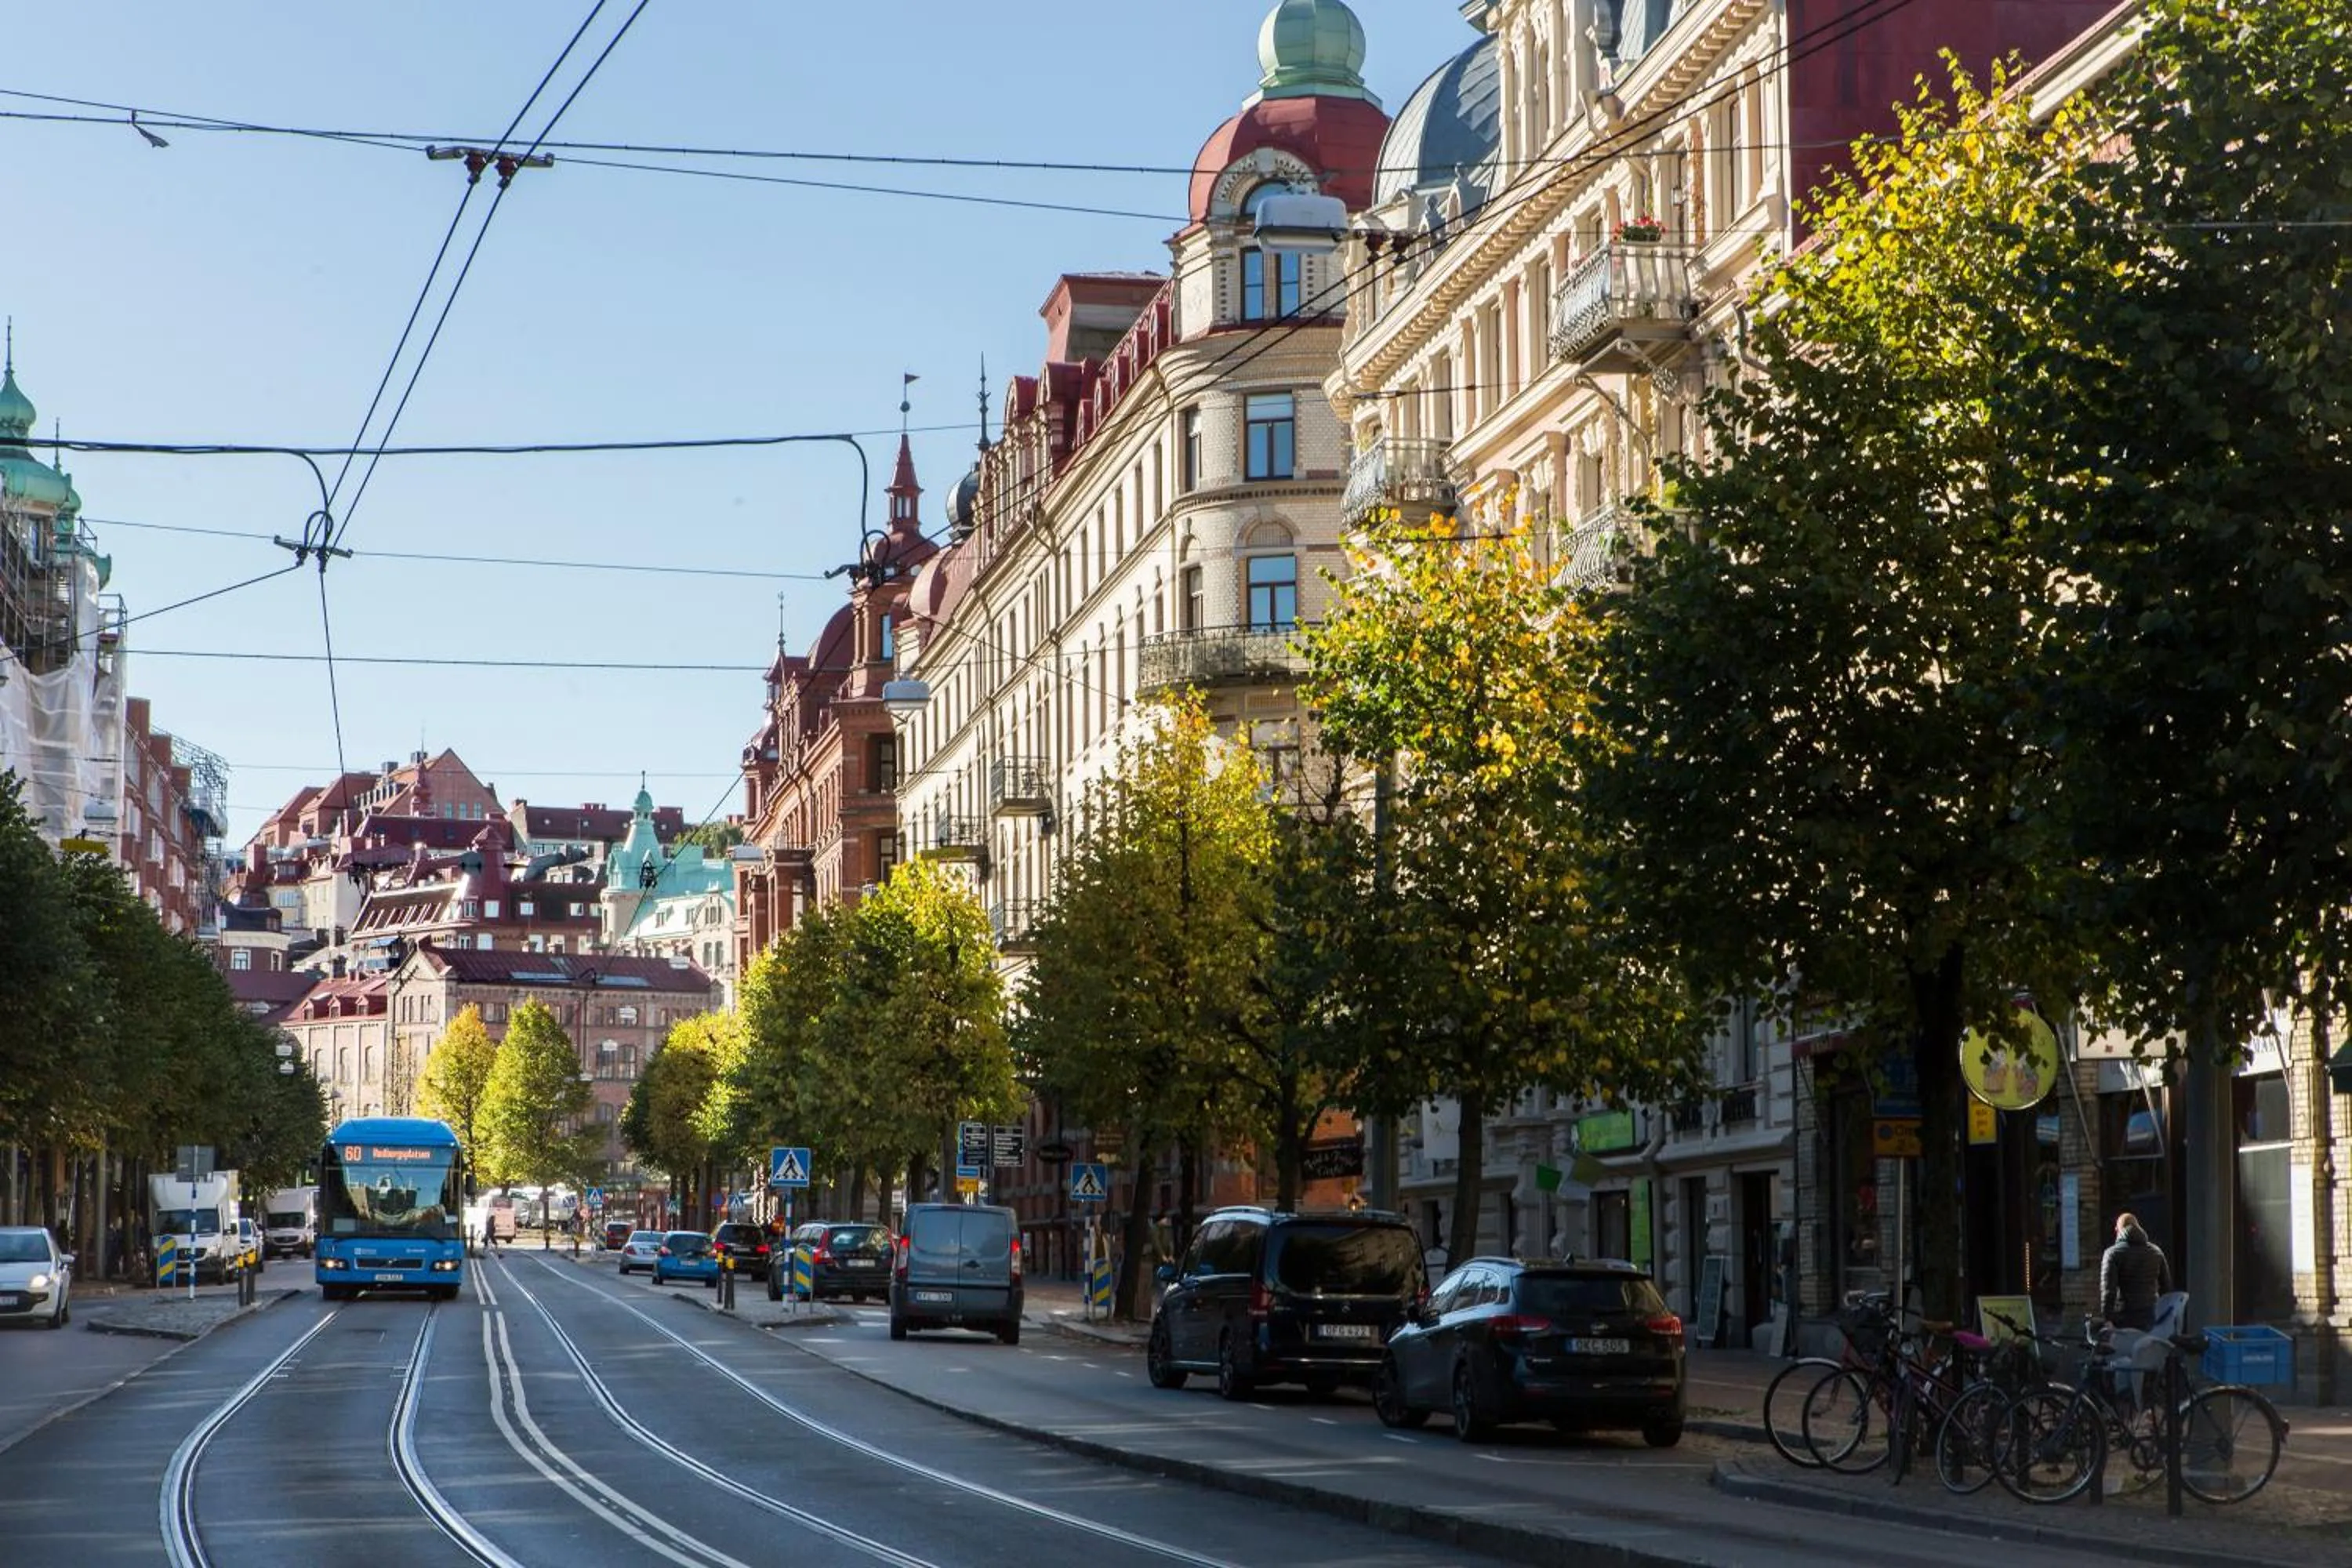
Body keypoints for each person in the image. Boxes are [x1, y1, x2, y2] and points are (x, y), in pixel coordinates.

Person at [2100, 1212, 2171, 1330]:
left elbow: (2108, 1291)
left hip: (2124, 1317)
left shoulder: (2112, 1254)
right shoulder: (2156, 1252)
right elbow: (2166, 1287)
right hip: (2151, 1315)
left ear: (2118, 1230)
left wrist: (2107, 1319)